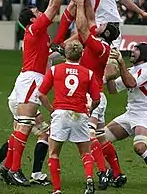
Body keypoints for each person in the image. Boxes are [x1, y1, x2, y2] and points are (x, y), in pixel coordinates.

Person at [0, 0, 68, 186]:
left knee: (22, 126)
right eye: (37, 11)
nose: (40, 12)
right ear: (31, 18)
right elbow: (54, 7)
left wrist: (63, 52)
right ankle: (14, 170)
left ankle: (9, 168)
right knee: (26, 126)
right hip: (31, 80)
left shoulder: (35, 33)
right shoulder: (36, 28)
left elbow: (45, 57)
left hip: (27, 78)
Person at [71, 0, 126, 188]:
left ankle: (103, 172)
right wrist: (85, 0)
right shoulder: (100, 39)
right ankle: (118, 173)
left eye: (103, 25)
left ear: (106, 32)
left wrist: (77, 5)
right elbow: (91, 19)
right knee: (101, 137)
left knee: (90, 136)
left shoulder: (99, 45)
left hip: (92, 96)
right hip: (95, 95)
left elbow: (82, 28)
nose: (99, 24)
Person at [104, 44, 147, 189]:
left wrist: (121, 63)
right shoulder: (130, 70)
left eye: (136, 49)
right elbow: (113, 90)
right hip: (130, 114)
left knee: (140, 147)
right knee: (101, 140)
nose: (132, 51)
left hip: (145, 114)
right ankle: (116, 173)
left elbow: (131, 82)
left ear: (143, 54)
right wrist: (110, 73)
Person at [38, 40, 101, 194]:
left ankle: (57, 189)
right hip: (80, 114)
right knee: (85, 152)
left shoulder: (54, 70)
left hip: (60, 114)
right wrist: (90, 110)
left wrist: (52, 110)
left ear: (65, 53)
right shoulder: (88, 73)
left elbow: (41, 94)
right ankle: (88, 178)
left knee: (53, 153)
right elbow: (97, 98)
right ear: (82, 54)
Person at [0, 105, 50, 185]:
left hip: (18, 101)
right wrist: (52, 110)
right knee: (44, 133)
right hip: (26, 103)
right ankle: (34, 174)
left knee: (17, 135)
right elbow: (41, 94)